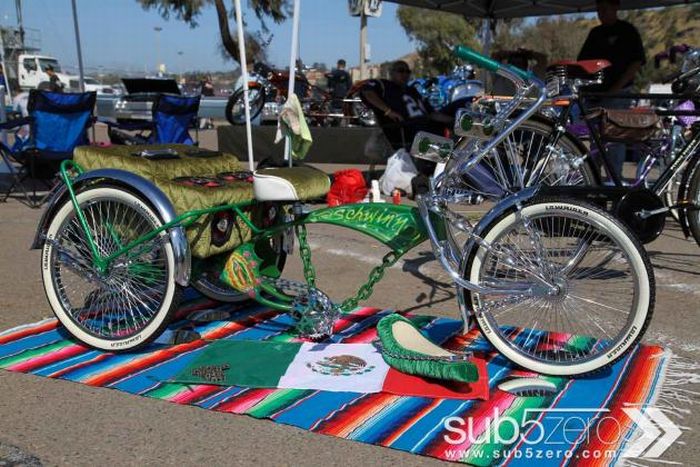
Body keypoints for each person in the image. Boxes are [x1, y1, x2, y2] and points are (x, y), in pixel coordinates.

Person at [360, 60, 452, 194]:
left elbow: (432, 113)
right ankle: (436, 178)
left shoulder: (412, 90)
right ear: (391, 73)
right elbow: (367, 92)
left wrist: (454, 121)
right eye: (400, 71)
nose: (404, 74)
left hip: (425, 127)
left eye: (407, 71)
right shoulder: (384, 85)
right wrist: (388, 111)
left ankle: (448, 174)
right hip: (404, 131)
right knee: (442, 145)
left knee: (453, 135)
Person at [578, 0, 645, 180]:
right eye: (599, 10)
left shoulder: (627, 31)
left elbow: (636, 62)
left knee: (615, 140)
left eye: (605, 9)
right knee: (595, 143)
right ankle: (594, 182)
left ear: (615, 7)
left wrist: (617, 88)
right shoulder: (595, 33)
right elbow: (583, 63)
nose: (601, 13)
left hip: (618, 95)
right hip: (595, 95)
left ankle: (615, 182)